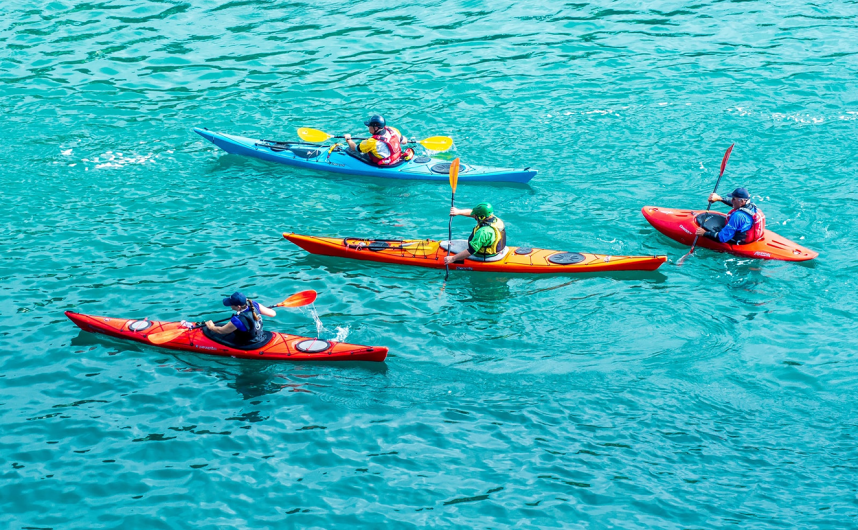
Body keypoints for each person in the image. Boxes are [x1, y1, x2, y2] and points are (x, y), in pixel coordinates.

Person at [695, 187, 766, 244]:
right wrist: (720, 198)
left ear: (742, 201)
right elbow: (735, 205)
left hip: (738, 241)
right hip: (751, 237)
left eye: (734, 199)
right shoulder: (752, 207)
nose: (731, 200)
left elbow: (722, 238)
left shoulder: (737, 216)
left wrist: (704, 233)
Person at [206, 292, 276, 345]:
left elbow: (221, 331)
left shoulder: (238, 320)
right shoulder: (254, 304)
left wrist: (211, 327)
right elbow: (273, 313)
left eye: (231, 304)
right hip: (260, 336)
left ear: (238, 307)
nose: (230, 305)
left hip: (249, 343)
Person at [343, 115, 412, 166]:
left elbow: (354, 148)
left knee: (351, 151)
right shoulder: (393, 130)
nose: (368, 127)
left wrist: (348, 139)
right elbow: (404, 141)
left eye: (369, 126)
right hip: (397, 158)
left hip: (385, 163)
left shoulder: (372, 142)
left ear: (376, 128)